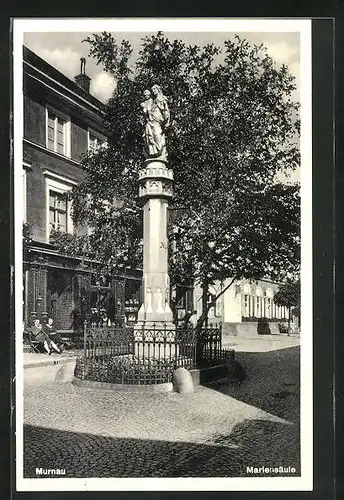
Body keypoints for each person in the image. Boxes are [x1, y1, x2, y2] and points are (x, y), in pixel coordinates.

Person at [141, 85, 170, 159]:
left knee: (157, 136)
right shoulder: (153, 101)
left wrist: (166, 121)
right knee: (149, 139)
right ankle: (152, 153)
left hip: (158, 122)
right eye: (152, 89)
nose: (153, 90)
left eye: (154, 89)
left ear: (158, 89)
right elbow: (148, 111)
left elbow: (165, 111)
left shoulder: (162, 99)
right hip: (151, 122)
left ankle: (159, 153)